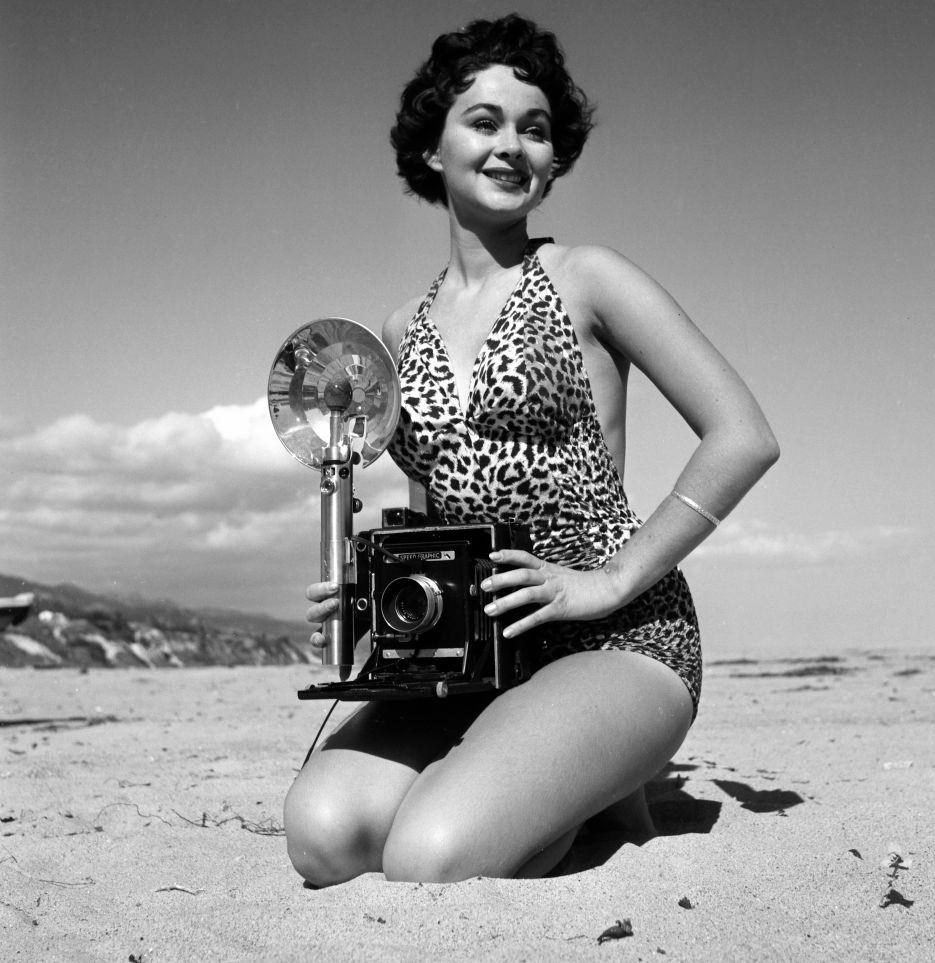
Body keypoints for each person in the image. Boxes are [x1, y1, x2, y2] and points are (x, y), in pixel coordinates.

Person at [284, 14, 779, 886]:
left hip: (619, 638)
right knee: (325, 836)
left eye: (536, 128)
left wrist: (612, 580)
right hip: (477, 655)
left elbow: (743, 435)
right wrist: (369, 603)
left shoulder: (588, 278)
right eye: (485, 121)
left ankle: (591, 783)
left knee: (429, 855)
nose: (513, 145)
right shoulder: (400, 328)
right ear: (432, 150)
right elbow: (439, 516)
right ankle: (552, 780)